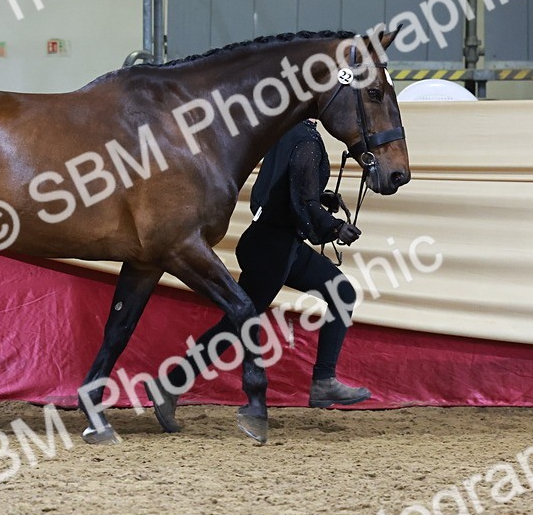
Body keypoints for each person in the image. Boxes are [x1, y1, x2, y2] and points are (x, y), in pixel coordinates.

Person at [146, 119, 370, 432]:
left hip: (276, 243)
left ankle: (323, 381)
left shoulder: (282, 132)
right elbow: (303, 200)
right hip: (274, 248)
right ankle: (171, 383)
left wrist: (323, 200)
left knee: (341, 292)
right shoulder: (307, 141)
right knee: (235, 322)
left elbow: (287, 192)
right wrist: (334, 227)